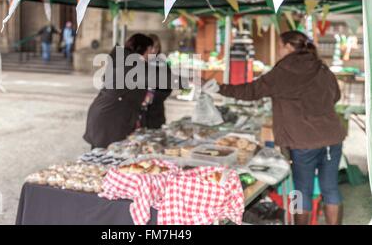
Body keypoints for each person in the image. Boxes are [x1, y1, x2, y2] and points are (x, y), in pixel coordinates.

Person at [212, 30, 346, 225]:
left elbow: (251, 91)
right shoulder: (321, 68)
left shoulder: (283, 71)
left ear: (289, 47)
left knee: (302, 191)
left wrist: (220, 87)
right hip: (332, 139)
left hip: (303, 142)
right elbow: (335, 97)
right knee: (331, 188)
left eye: (280, 46)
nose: (279, 51)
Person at [83, 33, 181, 149]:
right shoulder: (131, 64)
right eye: (150, 49)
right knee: (104, 157)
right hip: (110, 118)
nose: (151, 53)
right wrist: (186, 81)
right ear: (144, 49)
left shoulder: (124, 60)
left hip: (107, 114)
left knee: (104, 155)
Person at [140, 34, 172, 129]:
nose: (154, 50)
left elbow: (167, 88)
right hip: (137, 114)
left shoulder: (163, 65)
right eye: (152, 47)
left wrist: (152, 97)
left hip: (155, 113)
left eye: (157, 47)